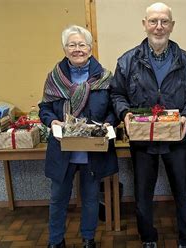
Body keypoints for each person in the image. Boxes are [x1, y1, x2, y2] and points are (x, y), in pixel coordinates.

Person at [110, 2, 186, 248]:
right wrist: (125, 114)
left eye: (164, 22)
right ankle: (148, 238)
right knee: (142, 195)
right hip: (142, 140)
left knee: (183, 193)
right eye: (153, 21)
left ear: (172, 26)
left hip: (177, 139)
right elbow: (117, 94)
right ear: (145, 24)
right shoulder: (128, 61)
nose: (158, 27)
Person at [39, 25, 118, 248]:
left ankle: (88, 239)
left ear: (90, 48)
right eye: (72, 45)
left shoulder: (105, 77)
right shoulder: (54, 78)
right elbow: (44, 108)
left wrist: (108, 123)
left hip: (92, 148)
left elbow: (113, 109)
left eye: (82, 44)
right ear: (64, 49)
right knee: (57, 199)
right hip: (63, 149)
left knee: (91, 198)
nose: (77, 49)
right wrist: (51, 120)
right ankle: (55, 241)